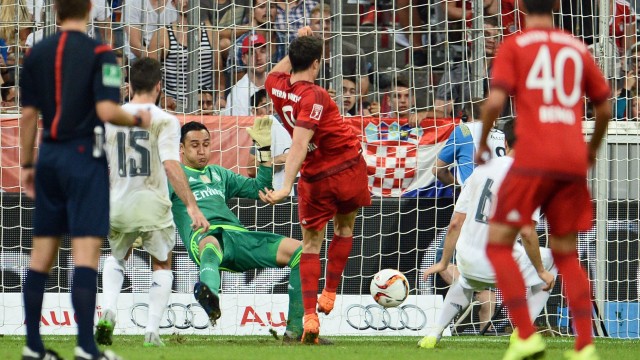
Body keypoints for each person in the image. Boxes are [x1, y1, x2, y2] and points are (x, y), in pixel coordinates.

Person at [475, 0, 612, 358]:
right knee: (567, 254)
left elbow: (493, 103)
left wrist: (481, 144)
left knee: (498, 243)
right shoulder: (576, 46)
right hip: (570, 159)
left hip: (533, 157)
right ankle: (584, 346)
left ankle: (525, 333)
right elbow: (605, 106)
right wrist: (592, 150)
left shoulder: (515, 45)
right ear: (555, 5)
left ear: (520, 5)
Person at [19, 1, 151, 359]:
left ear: (57, 9)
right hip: (84, 159)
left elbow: (28, 114)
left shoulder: (36, 53)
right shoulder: (101, 53)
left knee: (41, 256)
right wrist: (139, 121)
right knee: (86, 254)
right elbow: (107, 110)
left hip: (48, 156)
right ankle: (86, 347)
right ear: (90, 8)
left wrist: (27, 165)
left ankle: (32, 346)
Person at [262, 26, 371, 344]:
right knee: (346, 227)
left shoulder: (274, 85)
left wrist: (297, 42)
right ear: (317, 63)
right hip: (346, 167)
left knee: (310, 245)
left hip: (315, 178)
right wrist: (284, 186)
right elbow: (298, 143)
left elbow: (276, 71)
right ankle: (330, 293)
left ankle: (310, 316)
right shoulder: (315, 96)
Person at [172, 121, 324, 343]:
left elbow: (260, 188)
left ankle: (294, 332)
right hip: (204, 236)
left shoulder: (219, 174)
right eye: (194, 145)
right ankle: (210, 295)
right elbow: (153, 203)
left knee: (301, 252)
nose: (202, 150)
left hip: (238, 236)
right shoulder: (174, 177)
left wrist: (263, 152)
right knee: (211, 243)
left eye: (205, 144)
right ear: (181, 149)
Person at [96, 58, 209, 348]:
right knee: (162, 263)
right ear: (159, 86)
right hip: (154, 205)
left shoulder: (111, 116)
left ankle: (108, 308)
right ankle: (151, 331)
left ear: (130, 85)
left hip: (118, 203)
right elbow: (171, 164)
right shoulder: (165, 120)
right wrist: (192, 206)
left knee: (116, 258)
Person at [419, 121, 557, 349]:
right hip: (501, 268)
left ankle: (434, 333)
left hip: (469, 261)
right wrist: (541, 271)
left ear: (505, 142)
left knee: (465, 281)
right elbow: (526, 231)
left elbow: (455, 223)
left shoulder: (479, 171)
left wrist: (444, 262)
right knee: (552, 262)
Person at [147, 0, 217, 112]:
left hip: (206, 103)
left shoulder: (210, 32)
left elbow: (219, 75)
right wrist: (163, 97)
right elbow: (149, 75)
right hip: (174, 105)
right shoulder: (162, 34)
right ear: (173, 3)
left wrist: (221, 97)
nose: (185, 2)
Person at [433, 100, 505, 187]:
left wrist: (458, 188)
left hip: (474, 193)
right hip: (503, 191)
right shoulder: (503, 134)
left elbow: (438, 170)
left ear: (465, 117)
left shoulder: (463, 130)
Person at [309, 3, 370, 96]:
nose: (325, 26)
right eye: (319, 22)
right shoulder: (304, 54)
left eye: (328, 21)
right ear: (310, 27)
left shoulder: (354, 53)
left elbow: (363, 91)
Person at [245, 89, 294, 193]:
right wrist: (280, 159)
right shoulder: (270, 125)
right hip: (275, 194)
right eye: (265, 105)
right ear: (254, 110)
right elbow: (251, 169)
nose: (271, 109)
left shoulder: (308, 125)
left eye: (274, 105)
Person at [223, 34, 268, 116]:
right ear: (244, 59)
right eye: (252, 53)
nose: (258, 58)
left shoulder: (278, 83)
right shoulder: (237, 94)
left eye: (262, 51)